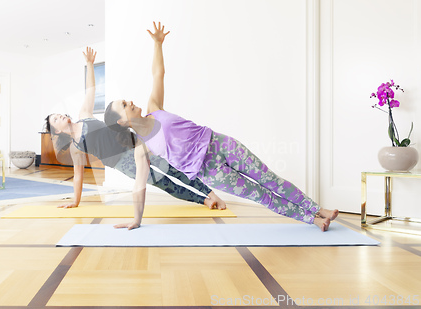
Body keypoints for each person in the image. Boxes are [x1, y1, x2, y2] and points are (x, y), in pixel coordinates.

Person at [104, 22, 339, 231]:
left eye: (126, 99)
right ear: (122, 122)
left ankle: (319, 209)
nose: (130, 102)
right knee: (264, 197)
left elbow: (158, 74)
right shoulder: (142, 148)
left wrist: (158, 44)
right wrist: (136, 219)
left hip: (220, 144)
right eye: (124, 105)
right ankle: (314, 219)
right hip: (211, 172)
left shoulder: (154, 107)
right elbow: (139, 186)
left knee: (271, 180)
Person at [45, 46, 226, 210]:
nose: (59, 116)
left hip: (134, 143)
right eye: (55, 119)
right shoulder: (76, 148)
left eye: (58, 114)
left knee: (174, 169)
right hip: (123, 164)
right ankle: (203, 200)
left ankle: (212, 194)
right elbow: (78, 177)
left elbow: (90, 90)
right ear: (57, 131)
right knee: (164, 183)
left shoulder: (84, 115)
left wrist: (90, 65)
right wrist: (75, 202)